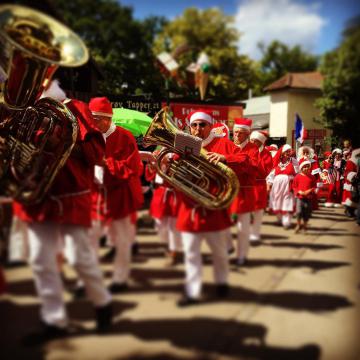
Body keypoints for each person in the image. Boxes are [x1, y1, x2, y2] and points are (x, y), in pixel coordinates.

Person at [13, 80, 112, 337]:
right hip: (36, 195)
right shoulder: (19, 110)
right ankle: (53, 320)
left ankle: (102, 303)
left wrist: (58, 140)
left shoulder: (74, 108)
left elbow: (96, 155)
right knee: (40, 260)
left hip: (70, 194)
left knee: (79, 257)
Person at [175, 110, 248, 306]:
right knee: (190, 254)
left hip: (214, 207)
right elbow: (174, 173)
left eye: (202, 125)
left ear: (210, 126)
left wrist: (225, 158)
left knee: (220, 251)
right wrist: (165, 164)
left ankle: (222, 282)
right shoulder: (183, 144)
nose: (198, 129)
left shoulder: (224, 144)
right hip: (189, 208)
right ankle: (193, 291)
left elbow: (245, 160)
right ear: (190, 127)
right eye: (194, 125)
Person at [88, 97, 144, 294]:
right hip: (96, 195)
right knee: (89, 239)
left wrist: (107, 163)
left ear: (106, 119)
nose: (91, 123)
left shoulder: (125, 137)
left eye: (94, 119)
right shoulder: (89, 137)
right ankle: (87, 280)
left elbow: (134, 168)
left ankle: (120, 278)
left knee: (122, 240)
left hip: (120, 194)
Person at [230, 118, 259, 265]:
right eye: (235, 132)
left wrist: (233, 161)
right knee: (222, 225)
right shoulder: (229, 145)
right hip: (228, 191)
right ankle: (226, 250)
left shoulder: (253, 148)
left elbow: (252, 168)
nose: (236, 136)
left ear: (247, 134)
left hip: (244, 192)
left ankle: (241, 255)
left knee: (243, 228)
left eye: (240, 133)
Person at [145, 153, 182, 266]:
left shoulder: (179, 154)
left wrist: (170, 164)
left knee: (173, 226)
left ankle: (173, 251)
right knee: (160, 225)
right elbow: (150, 176)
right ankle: (170, 246)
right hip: (160, 193)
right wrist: (153, 165)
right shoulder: (158, 152)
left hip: (174, 192)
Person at [249, 130, 273, 243]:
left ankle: (255, 233)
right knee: (246, 211)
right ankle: (246, 232)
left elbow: (265, 170)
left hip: (259, 185)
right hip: (247, 185)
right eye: (251, 140)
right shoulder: (246, 150)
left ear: (261, 142)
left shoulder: (266, 154)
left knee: (258, 211)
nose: (252, 142)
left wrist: (254, 161)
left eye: (255, 141)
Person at [267, 144, 298, 229]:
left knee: (287, 202)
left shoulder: (293, 161)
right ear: (282, 153)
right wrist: (269, 183)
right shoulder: (277, 161)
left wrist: (295, 184)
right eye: (286, 151)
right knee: (277, 201)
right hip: (277, 185)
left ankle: (286, 221)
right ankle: (279, 219)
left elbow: (297, 173)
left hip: (288, 185)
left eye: (289, 151)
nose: (288, 153)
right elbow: (272, 174)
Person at [292, 158, 317, 233]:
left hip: (308, 198)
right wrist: (299, 192)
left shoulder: (312, 177)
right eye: (304, 167)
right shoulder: (297, 177)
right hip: (300, 197)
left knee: (307, 212)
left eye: (307, 167)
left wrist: (309, 191)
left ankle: (305, 225)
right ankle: (298, 224)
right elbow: (294, 186)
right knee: (299, 212)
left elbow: (314, 187)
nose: (306, 168)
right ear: (301, 168)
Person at [342, 148, 360, 217]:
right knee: (351, 197)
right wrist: (353, 176)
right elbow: (347, 172)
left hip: (357, 181)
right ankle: (349, 210)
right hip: (352, 182)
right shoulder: (350, 162)